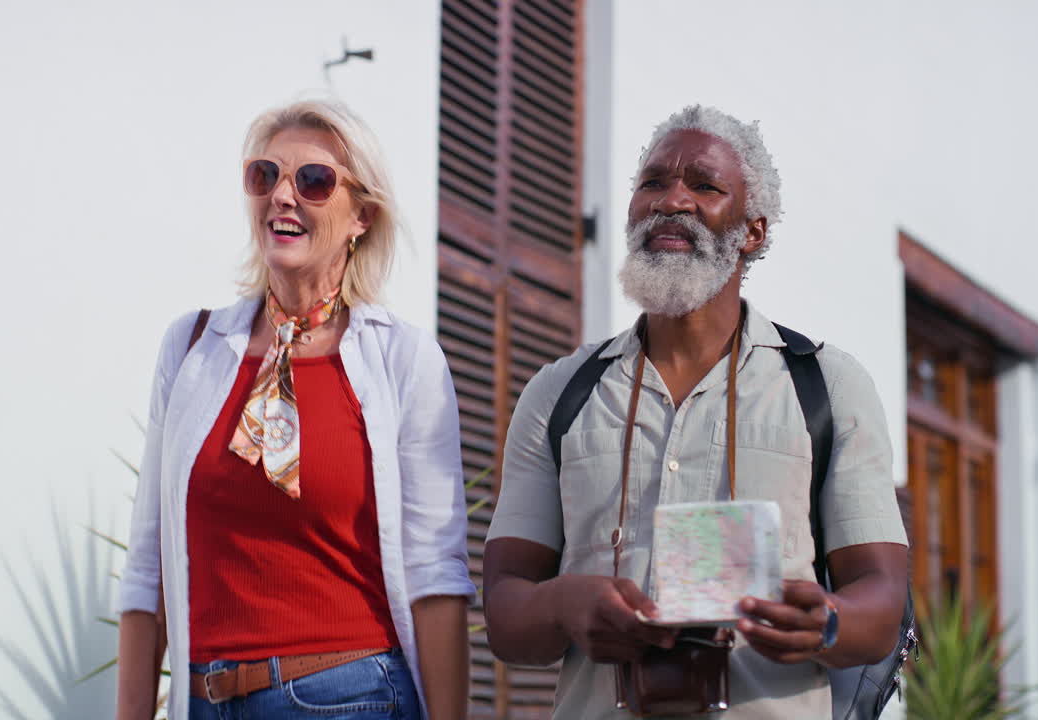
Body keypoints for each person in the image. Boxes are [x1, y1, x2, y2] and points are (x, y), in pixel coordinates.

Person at [482, 105, 909, 718]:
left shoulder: (828, 387)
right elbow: (504, 612)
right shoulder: (559, 393)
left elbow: (883, 602)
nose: (670, 201)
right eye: (652, 183)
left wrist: (829, 623)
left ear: (754, 231)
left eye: (704, 185)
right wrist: (564, 607)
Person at [116, 98, 475, 720]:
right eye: (265, 175)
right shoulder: (192, 347)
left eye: (312, 181)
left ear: (360, 215)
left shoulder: (403, 359)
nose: (283, 195)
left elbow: (434, 574)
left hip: (349, 696)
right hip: (204, 700)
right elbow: (148, 565)